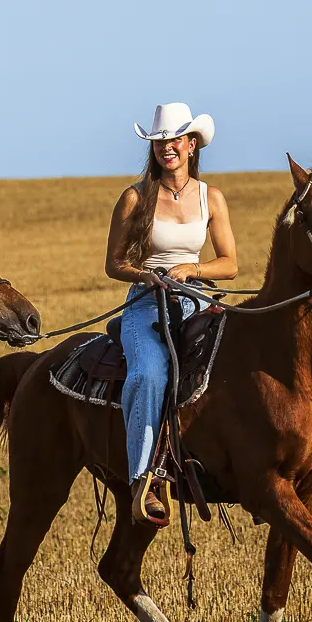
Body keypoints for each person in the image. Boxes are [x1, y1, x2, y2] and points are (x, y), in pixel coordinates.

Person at [103, 102, 239, 527]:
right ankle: (145, 479)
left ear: (192, 144)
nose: (168, 148)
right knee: (150, 373)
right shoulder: (135, 197)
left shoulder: (210, 197)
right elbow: (114, 263)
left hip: (197, 295)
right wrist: (149, 275)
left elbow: (230, 263)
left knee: (235, 359)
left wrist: (192, 269)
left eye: (175, 140)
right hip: (148, 301)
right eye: (160, 141)